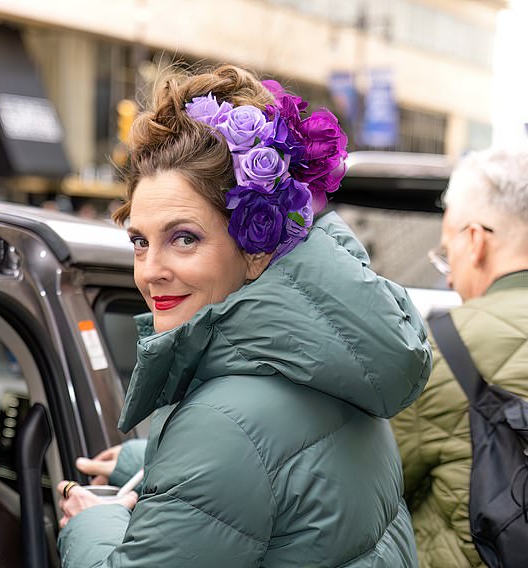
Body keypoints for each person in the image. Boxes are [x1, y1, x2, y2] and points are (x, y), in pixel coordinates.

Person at [56, 64, 432, 567]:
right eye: (140, 242)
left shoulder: (225, 425)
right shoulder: (330, 365)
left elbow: (239, 450)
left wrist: (90, 525)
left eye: (183, 238)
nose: (150, 271)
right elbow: (283, 467)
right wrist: (146, 463)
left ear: (256, 245)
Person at [391, 147, 528, 567]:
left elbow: (380, 488)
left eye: (447, 252)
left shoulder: (440, 350)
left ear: (475, 240)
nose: (448, 274)